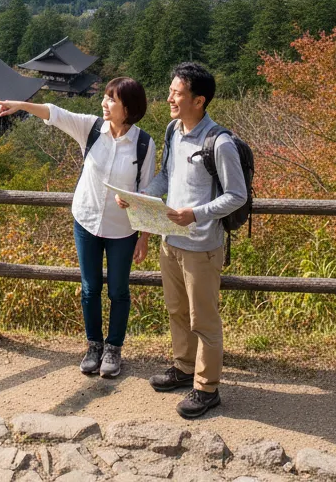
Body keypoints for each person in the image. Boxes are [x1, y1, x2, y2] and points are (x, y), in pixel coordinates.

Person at [0, 78, 154, 379]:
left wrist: (144, 238)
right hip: (86, 221)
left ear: (128, 109)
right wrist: (19, 105)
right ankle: (94, 346)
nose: (103, 103)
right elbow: (54, 113)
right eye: (105, 97)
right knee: (90, 288)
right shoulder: (91, 128)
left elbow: (146, 193)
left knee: (118, 291)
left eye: (111, 100)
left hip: (123, 230)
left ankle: (113, 348)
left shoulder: (144, 144)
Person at [142, 62, 248, 419]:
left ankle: (206, 387)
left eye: (177, 93)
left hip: (202, 244)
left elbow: (237, 196)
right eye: (171, 90)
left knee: (204, 319)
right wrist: (142, 197)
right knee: (176, 311)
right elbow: (166, 177)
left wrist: (196, 213)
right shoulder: (174, 130)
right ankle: (184, 367)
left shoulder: (219, 143)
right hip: (171, 240)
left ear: (199, 100)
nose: (170, 97)